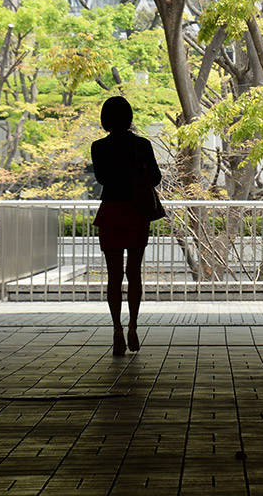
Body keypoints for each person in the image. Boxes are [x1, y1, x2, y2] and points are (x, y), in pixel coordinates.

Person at [91, 95, 160, 356]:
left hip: (110, 211)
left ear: (105, 119)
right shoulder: (142, 144)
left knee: (113, 276)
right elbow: (155, 177)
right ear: (129, 117)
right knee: (134, 274)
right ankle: (133, 325)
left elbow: (102, 177)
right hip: (136, 211)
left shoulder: (98, 147)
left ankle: (116, 330)